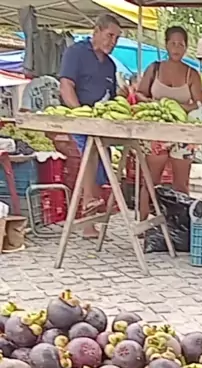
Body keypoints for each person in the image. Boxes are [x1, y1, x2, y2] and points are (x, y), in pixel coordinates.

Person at [59, 13, 121, 236]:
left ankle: (90, 220)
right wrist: (80, 114)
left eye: (117, 38)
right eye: (110, 35)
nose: (113, 42)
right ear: (96, 31)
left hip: (101, 121)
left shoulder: (110, 65)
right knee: (90, 148)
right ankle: (88, 204)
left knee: (101, 158)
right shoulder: (76, 52)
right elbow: (66, 85)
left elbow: (112, 97)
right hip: (79, 118)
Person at [137, 26, 202, 218]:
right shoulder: (154, 69)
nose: (176, 48)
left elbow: (200, 104)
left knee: (181, 184)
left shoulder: (191, 74)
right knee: (151, 181)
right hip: (157, 132)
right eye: (173, 43)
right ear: (166, 45)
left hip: (183, 135)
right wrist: (154, 104)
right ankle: (142, 222)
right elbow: (140, 93)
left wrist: (177, 107)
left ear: (186, 47)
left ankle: (179, 224)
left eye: (180, 44)